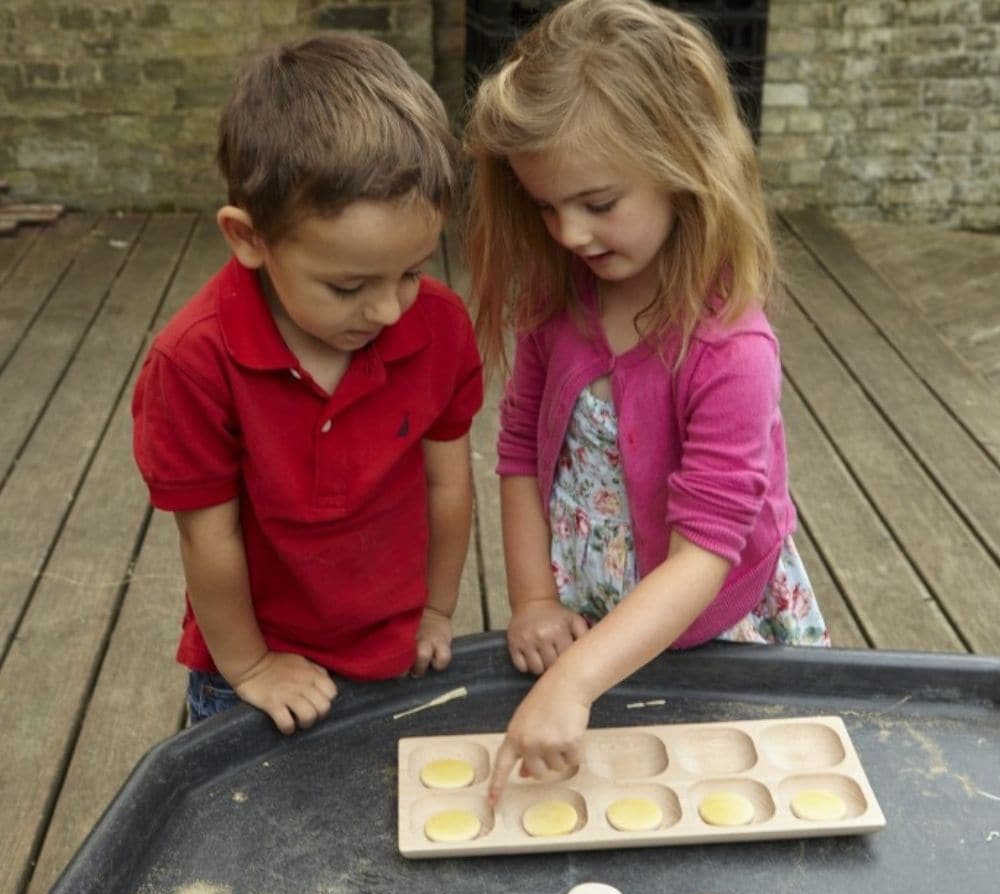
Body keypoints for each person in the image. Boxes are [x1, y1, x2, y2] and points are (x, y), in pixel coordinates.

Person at [463, 0, 828, 799]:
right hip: (591, 608)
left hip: (713, 621)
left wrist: (573, 682)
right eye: (547, 206)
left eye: (597, 204)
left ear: (682, 166)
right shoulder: (559, 307)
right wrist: (531, 597)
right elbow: (520, 450)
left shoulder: (732, 351)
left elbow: (706, 548)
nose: (567, 234)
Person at [132, 33, 483, 734]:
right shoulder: (193, 364)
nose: (388, 310)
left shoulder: (438, 326)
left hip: (398, 648)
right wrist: (253, 668)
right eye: (348, 285)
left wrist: (438, 609)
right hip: (256, 672)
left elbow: (449, 483)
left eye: (413, 270)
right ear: (249, 238)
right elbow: (210, 539)